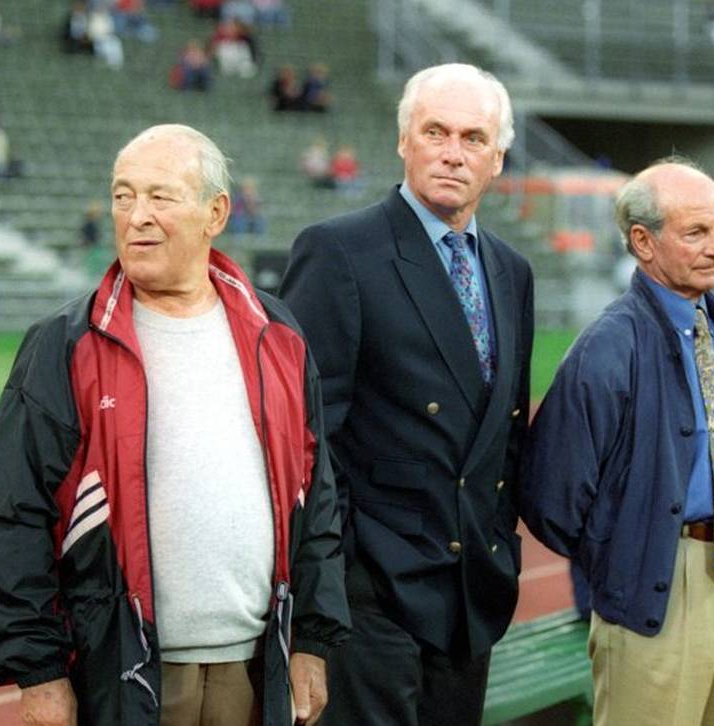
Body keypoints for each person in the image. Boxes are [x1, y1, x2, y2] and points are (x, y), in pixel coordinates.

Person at [0, 124, 349, 726]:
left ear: (215, 213)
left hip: (256, 667)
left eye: (160, 197)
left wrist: (313, 641)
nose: (136, 215)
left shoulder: (278, 335)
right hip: (122, 670)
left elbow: (316, 497)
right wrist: (37, 671)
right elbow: (11, 514)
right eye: (124, 196)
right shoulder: (64, 345)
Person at [279, 63, 534, 726]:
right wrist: (336, 586)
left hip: (470, 596)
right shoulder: (339, 252)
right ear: (403, 141)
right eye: (436, 132)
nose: (453, 153)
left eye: (474, 138)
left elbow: (504, 435)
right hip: (372, 605)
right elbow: (305, 440)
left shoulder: (512, 271)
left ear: (497, 158)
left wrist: (498, 544)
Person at [520, 158, 714, 725]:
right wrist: (629, 554)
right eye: (696, 231)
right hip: (660, 581)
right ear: (643, 242)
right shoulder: (607, 345)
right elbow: (552, 493)